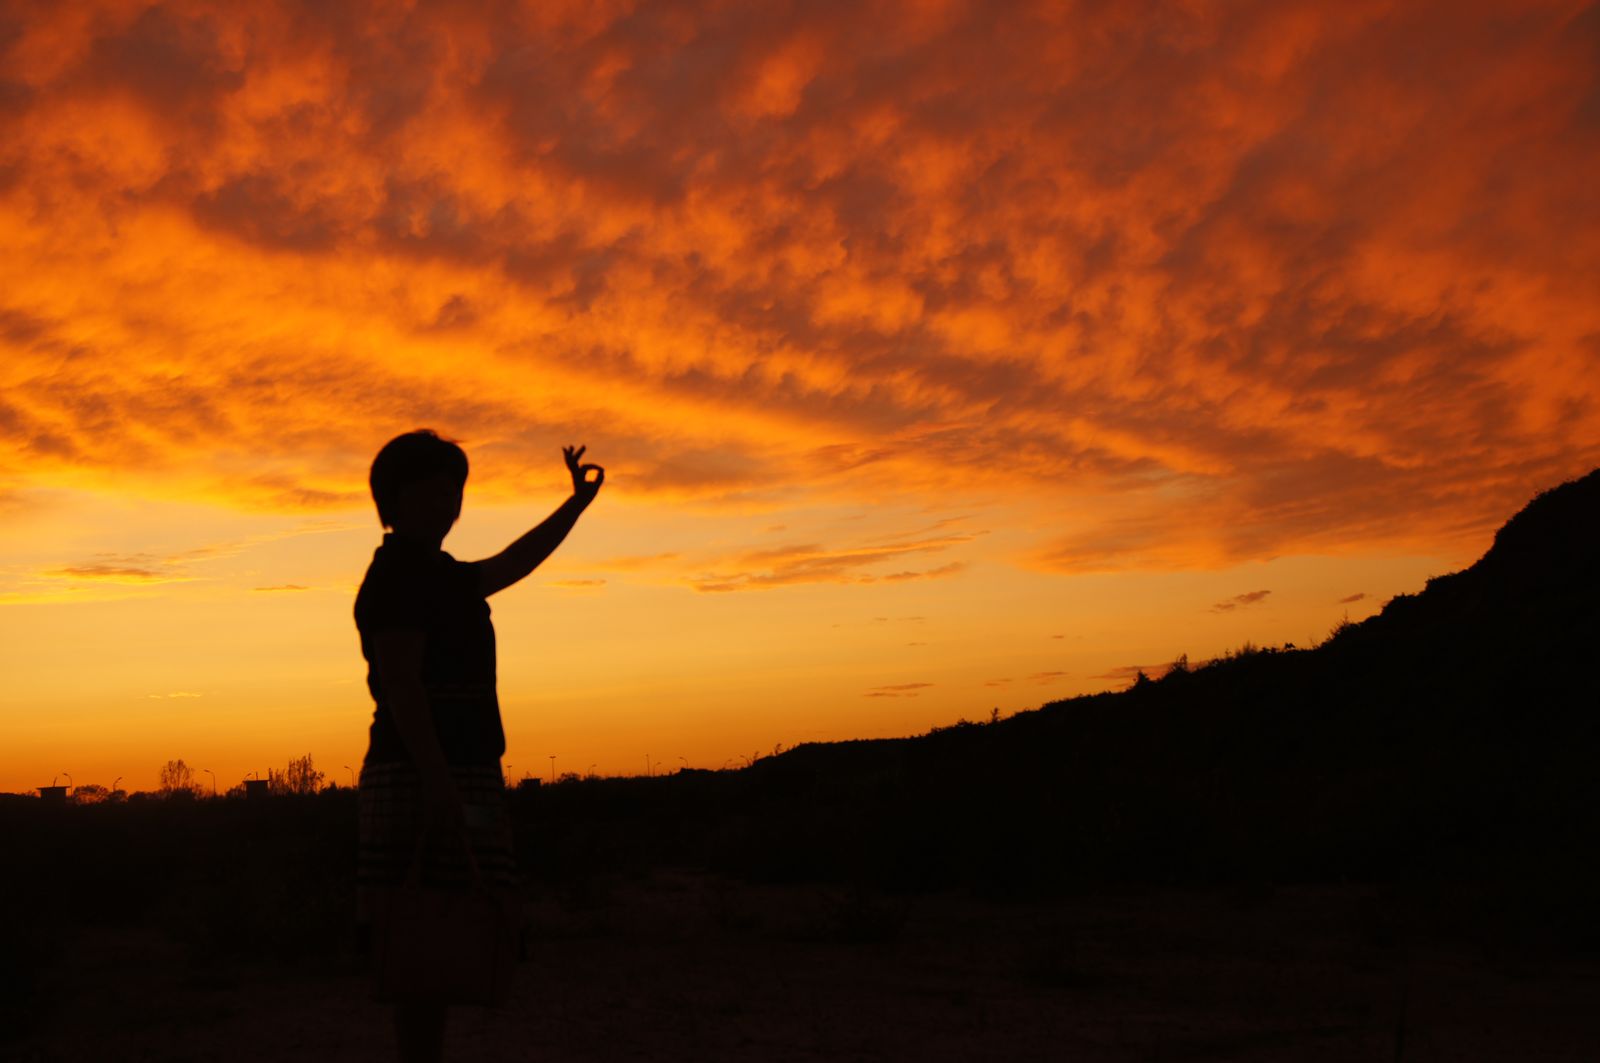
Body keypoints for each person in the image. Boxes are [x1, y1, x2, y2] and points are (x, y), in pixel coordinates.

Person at [353, 430, 603, 1063]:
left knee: (452, 932)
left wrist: (574, 506)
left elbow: (513, 564)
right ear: (395, 497)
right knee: (419, 940)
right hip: (420, 775)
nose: (450, 499)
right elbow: (403, 685)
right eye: (436, 486)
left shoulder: (440, 575)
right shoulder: (397, 575)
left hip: (460, 769)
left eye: (456, 487)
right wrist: (438, 781)